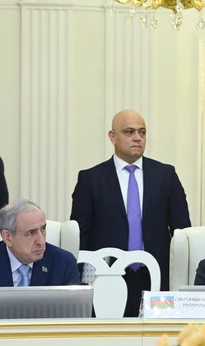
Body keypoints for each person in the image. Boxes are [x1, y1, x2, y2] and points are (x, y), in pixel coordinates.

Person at [70, 109, 191, 317]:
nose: (137, 138)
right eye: (129, 132)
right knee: (112, 333)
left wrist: (182, 279)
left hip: (157, 277)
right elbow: (81, 236)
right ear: (112, 137)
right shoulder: (91, 179)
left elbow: (182, 232)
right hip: (108, 276)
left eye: (142, 132)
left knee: (156, 334)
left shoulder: (166, 175)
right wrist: (78, 282)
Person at [0, 200, 81, 319]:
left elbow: (82, 319)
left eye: (43, 229)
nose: (41, 241)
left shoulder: (63, 263)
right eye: (31, 233)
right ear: (8, 237)